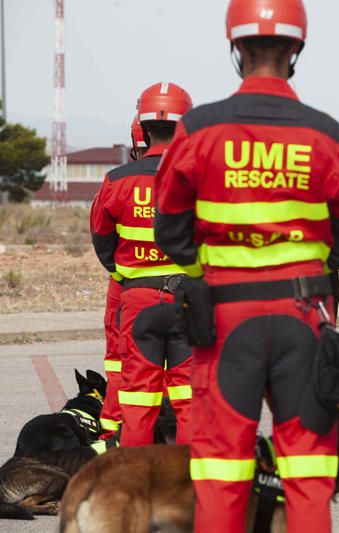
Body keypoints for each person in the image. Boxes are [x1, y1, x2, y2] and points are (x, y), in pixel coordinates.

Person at [153, 0, 339, 530]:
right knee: (309, 469)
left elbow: (170, 228)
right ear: (297, 48)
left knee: (222, 470)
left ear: (236, 49)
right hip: (305, 316)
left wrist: (220, 263)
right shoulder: (328, 135)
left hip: (225, 323)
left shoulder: (198, 130)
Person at [91, 82, 194, 447]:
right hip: (188, 300)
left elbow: (102, 240)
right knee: (187, 396)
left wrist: (127, 275)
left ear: (143, 127)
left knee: (136, 398)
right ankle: (186, 482)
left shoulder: (116, 181)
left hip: (137, 300)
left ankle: (136, 484)